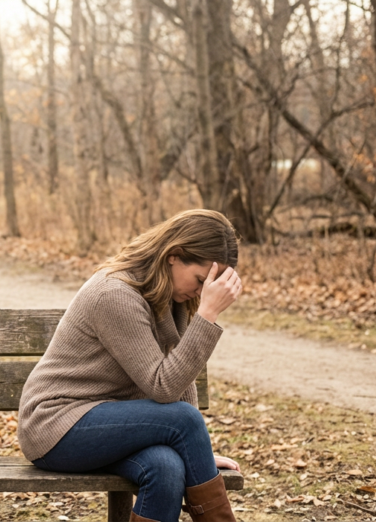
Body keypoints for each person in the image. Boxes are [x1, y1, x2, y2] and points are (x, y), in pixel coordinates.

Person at [18, 209, 244, 522]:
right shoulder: (115, 294)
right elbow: (163, 387)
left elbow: (180, 374)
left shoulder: (166, 293)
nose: (200, 291)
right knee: (184, 420)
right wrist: (207, 316)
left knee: (166, 468)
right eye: (201, 280)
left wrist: (196, 456)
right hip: (57, 425)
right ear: (174, 256)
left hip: (106, 424)